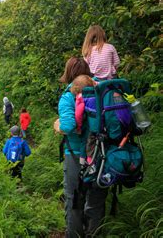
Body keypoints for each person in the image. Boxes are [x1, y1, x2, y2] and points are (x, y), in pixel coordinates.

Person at [54, 57, 108, 238]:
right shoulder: (101, 88)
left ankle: (75, 235)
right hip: (102, 154)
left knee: (75, 199)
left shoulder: (69, 95)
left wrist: (57, 125)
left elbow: (68, 126)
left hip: (77, 155)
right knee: (97, 198)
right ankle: (95, 233)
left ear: (69, 74)